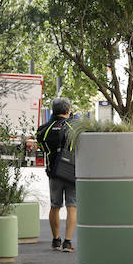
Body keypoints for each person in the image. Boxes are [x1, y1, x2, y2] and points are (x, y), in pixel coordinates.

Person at [37, 98, 77, 253]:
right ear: (68, 110)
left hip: (53, 171)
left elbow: (41, 145)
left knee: (55, 206)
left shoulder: (44, 129)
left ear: (53, 110)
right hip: (71, 171)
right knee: (72, 206)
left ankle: (55, 240)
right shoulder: (74, 127)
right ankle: (67, 242)